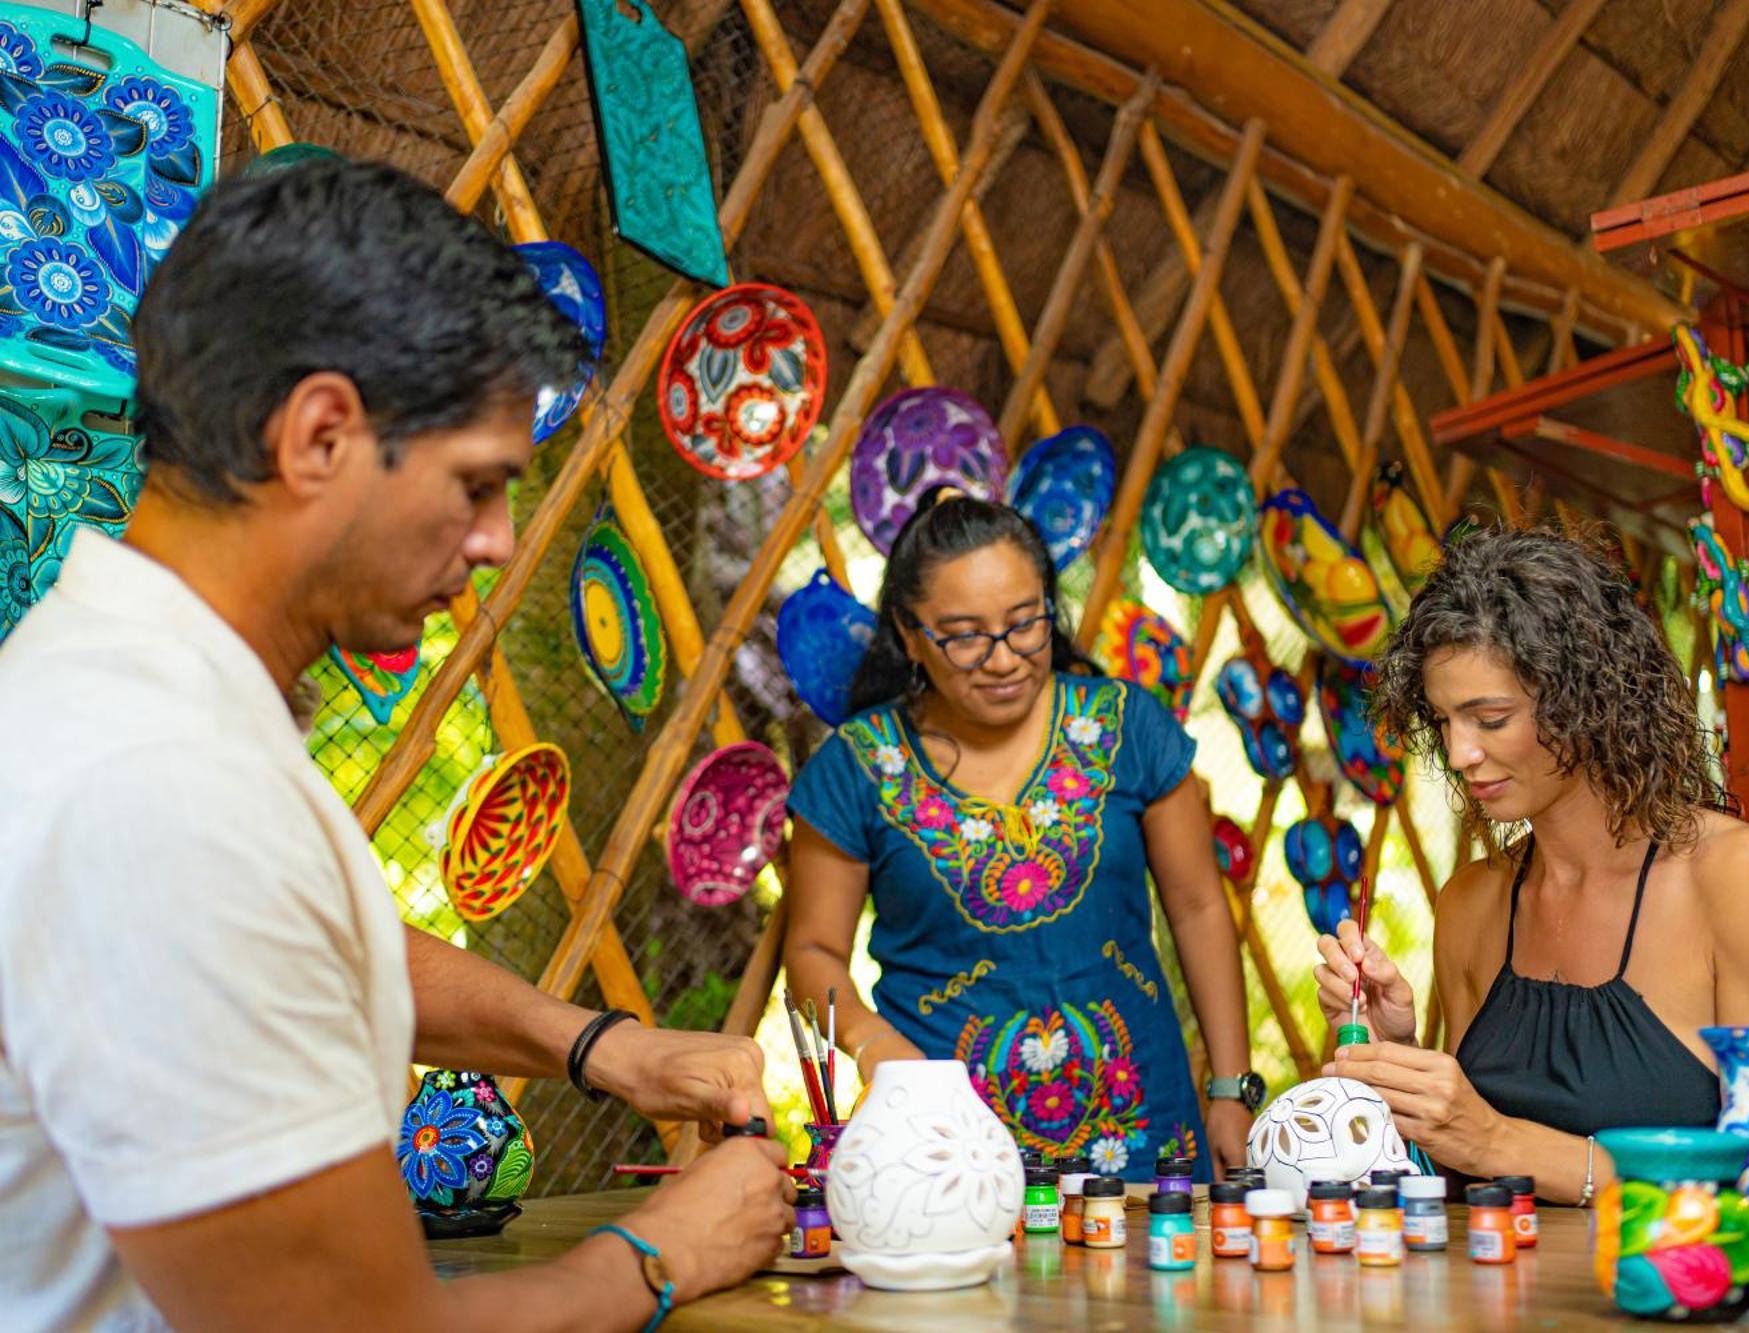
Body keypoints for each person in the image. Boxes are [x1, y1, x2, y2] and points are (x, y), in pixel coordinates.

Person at [0, 160, 792, 1331]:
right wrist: (664, 1252)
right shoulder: (157, 788)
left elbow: (295, 950)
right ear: (321, 434)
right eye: (476, 485)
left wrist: (598, 1047)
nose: (493, 541)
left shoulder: (133, 704)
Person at [1314, 525, 1749, 1202]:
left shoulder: (1744, 883)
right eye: (1443, 722)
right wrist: (1398, 1053)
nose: (1461, 751)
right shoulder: (1472, 903)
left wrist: (1504, 1141)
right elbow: (1460, 1177)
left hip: (1675, 1301)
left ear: (1584, 701)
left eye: (1490, 717)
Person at [785, 491, 1258, 1181]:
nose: (1004, 658)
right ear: (909, 634)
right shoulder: (858, 766)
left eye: (1025, 623)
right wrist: (871, 1044)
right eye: (966, 635)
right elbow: (813, 948)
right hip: (943, 1146)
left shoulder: (1127, 727)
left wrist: (1230, 1086)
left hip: (1143, 1137)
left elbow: (1198, 906)